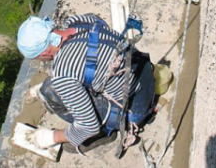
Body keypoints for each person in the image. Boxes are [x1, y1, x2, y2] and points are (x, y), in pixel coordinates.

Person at [17, 14, 156, 154]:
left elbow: (88, 126)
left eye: (37, 57)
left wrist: (52, 137)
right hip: (143, 73)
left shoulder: (63, 74)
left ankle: (102, 134)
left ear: (45, 52)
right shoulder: (81, 21)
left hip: (134, 110)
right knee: (72, 82)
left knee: (50, 92)